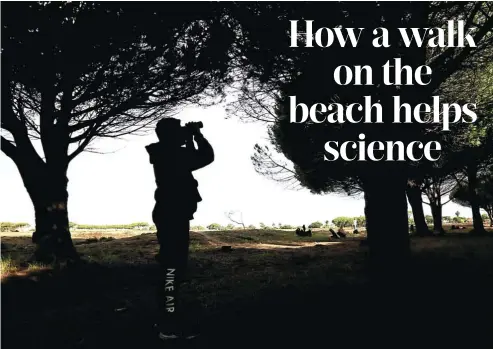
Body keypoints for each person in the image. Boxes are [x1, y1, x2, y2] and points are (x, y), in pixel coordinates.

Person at [145, 117, 214, 340]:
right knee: (171, 269)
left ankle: (168, 318)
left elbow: (193, 159)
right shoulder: (171, 153)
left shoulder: (167, 152)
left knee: (173, 267)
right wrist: (197, 136)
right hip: (172, 215)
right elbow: (206, 156)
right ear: (171, 136)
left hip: (171, 213)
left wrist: (190, 137)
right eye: (179, 131)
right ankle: (168, 324)